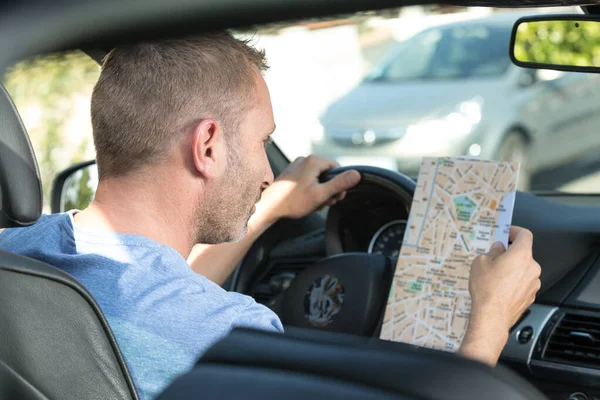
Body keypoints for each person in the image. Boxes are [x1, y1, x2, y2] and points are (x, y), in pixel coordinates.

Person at [0, 33, 541, 400]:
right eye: (263, 140)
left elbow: (152, 290)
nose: (265, 169)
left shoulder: (21, 254)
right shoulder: (234, 336)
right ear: (207, 146)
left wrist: (270, 209)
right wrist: (490, 321)